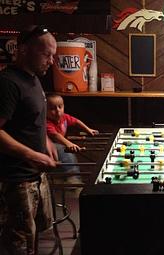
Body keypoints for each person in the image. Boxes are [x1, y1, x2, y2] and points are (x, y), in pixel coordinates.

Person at [0, 25, 57, 255]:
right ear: (23, 50)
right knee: (18, 244)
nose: (51, 62)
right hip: (16, 180)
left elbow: (32, 118)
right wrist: (32, 154)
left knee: (36, 236)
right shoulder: (7, 83)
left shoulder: (33, 79)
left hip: (36, 176)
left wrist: (46, 140)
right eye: (46, 54)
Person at [46, 93, 99, 184]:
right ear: (45, 110)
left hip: (59, 147)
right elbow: (56, 136)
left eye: (60, 107)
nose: (58, 111)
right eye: (52, 108)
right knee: (66, 152)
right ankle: (73, 180)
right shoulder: (47, 122)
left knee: (66, 152)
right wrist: (68, 143)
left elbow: (76, 122)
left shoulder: (64, 117)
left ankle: (73, 178)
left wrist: (88, 129)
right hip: (49, 148)